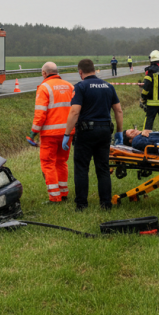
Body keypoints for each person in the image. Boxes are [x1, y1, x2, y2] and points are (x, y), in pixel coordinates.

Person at [63, 58, 124, 211]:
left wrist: (67, 134)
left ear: (80, 72)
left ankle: (82, 205)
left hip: (86, 132)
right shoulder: (108, 86)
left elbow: (75, 111)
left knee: (82, 168)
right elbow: (118, 110)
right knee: (103, 168)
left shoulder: (81, 87)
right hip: (104, 131)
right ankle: (106, 204)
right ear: (94, 69)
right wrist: (119, 132)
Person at [28, 62, 76, 202]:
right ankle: (63, 193)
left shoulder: (44, 88)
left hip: (50, 134)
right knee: (61, 162)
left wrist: (33, 132)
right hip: (67, 132)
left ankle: (55, 198)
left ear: (44, 73)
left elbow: (40, 114)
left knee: (48, 164)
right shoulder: (70, 86)